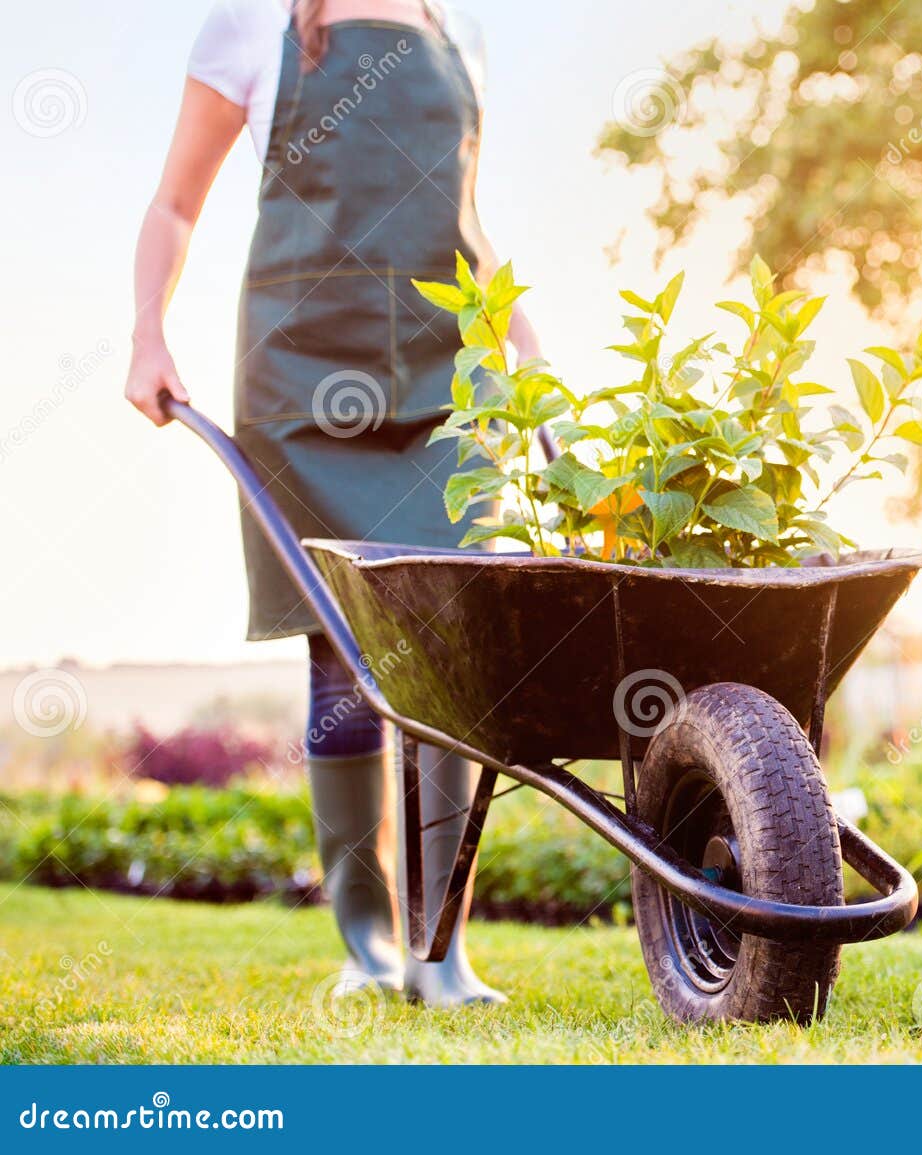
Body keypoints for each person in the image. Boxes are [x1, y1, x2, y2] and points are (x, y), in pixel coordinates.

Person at [124, 0, 539, 1006]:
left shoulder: (457, 34)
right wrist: (148, 333)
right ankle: (369, 948)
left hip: (448, 384)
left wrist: (529, 354)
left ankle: (441, 954)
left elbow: (468, 228)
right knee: (342, 658)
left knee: (450, 651)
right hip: (302, 381)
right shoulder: (252, 28)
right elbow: (177, 203)